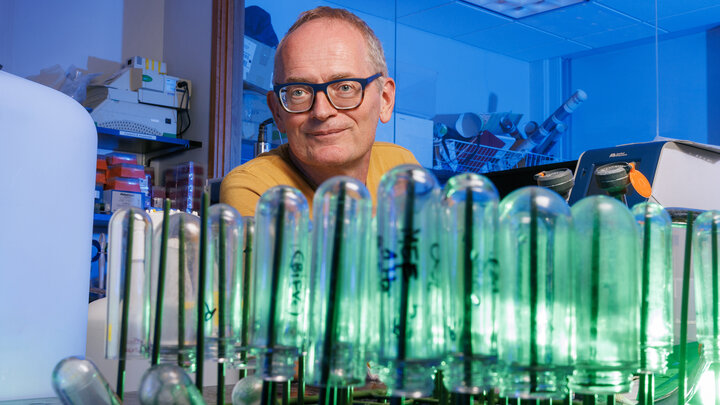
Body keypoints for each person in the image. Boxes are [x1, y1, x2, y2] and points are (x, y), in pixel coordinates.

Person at [220, 6, 419, 216]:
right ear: (277, 112)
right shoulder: (255, 189)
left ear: (385, 100)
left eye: (345, 87)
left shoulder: (400, 166)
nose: (322, 112)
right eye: (298, 92)